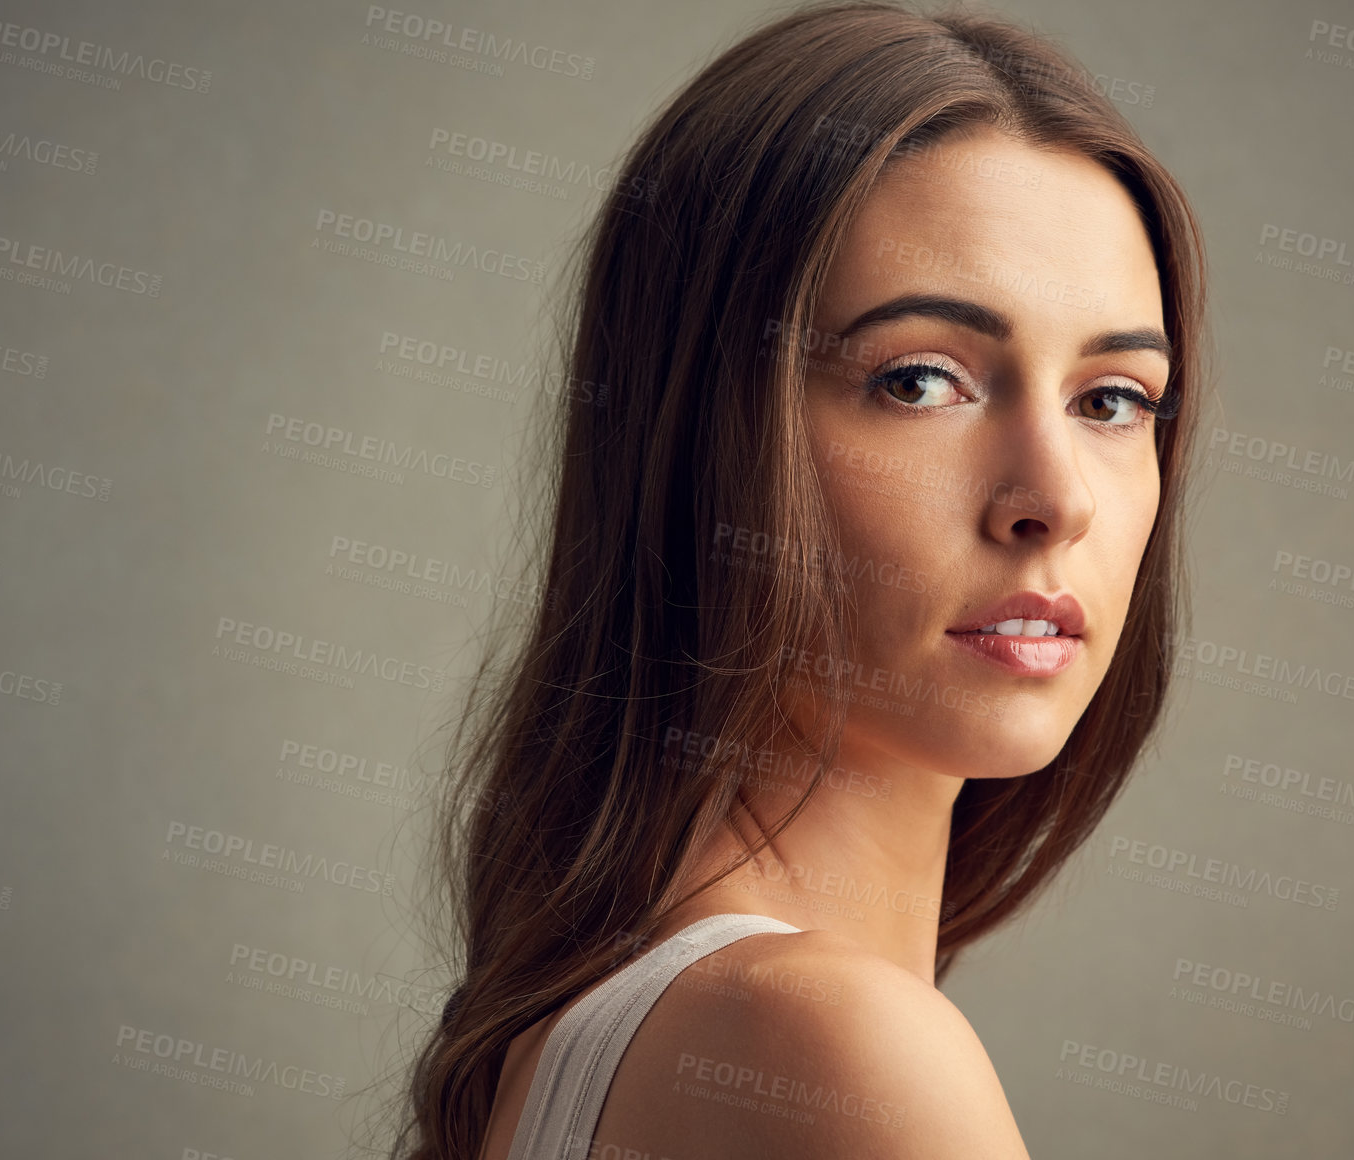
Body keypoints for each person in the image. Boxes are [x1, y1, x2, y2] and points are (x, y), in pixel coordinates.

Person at [390, 2, 1209, 1157]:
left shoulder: (600, 1029)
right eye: (921, 382)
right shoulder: (835, 1046)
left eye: (1112, 398)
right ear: (698, 437)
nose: (1055, 497)